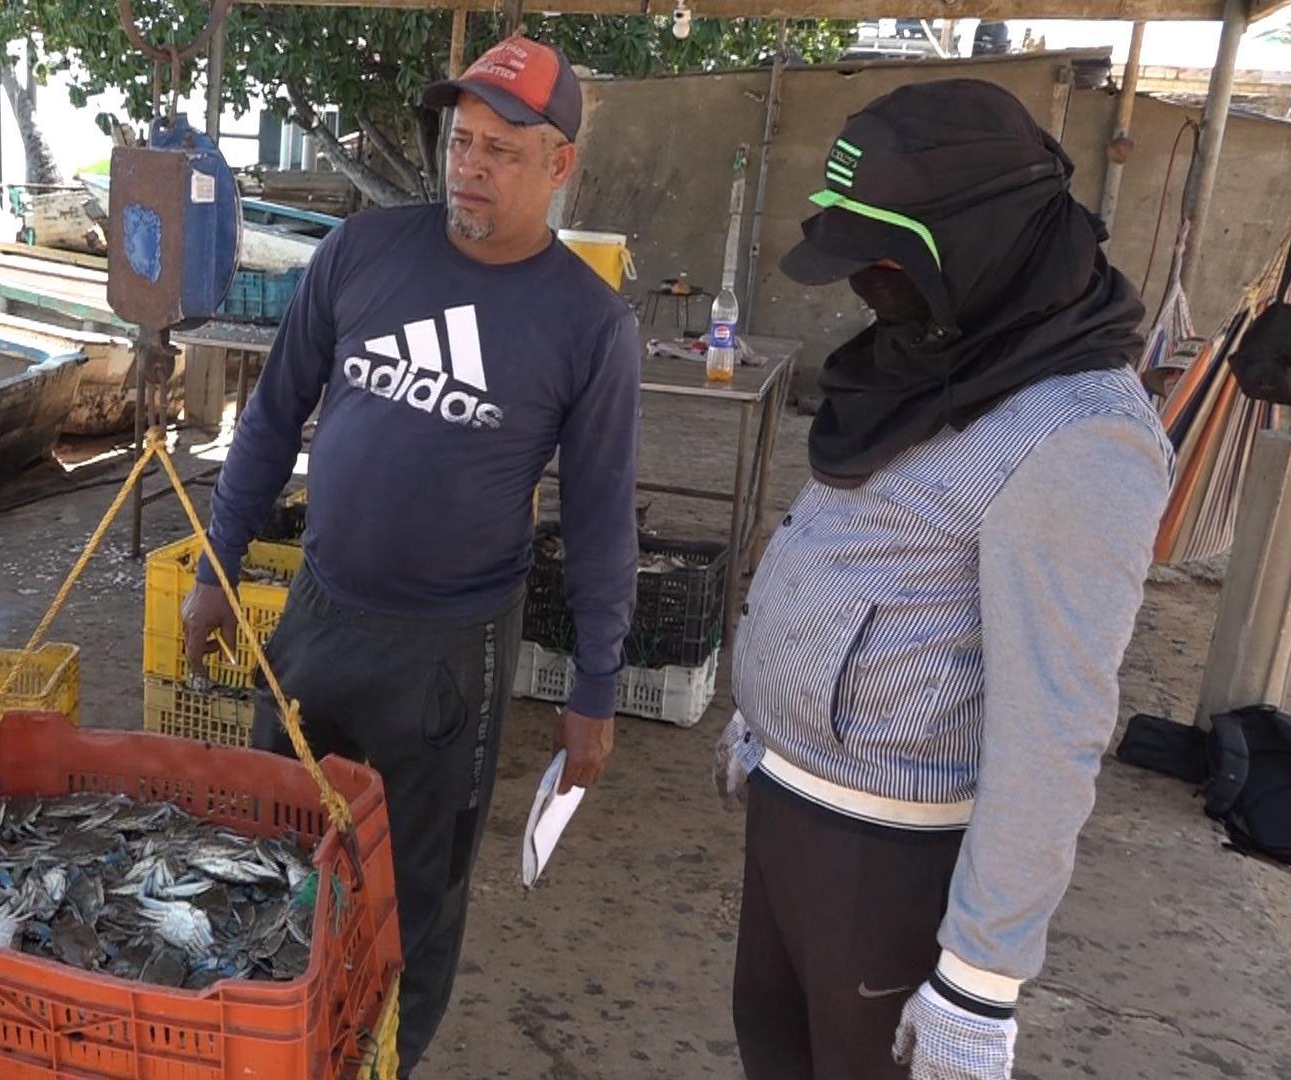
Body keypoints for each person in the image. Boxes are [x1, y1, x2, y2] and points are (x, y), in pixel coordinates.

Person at [179, 35, 641, 1075]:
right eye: (461, 141)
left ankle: (379, 1059)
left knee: (414, 891)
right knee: (270, 841)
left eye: (502, 151)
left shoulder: (588, 323)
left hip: (453, 647)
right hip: (320, 612)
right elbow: (270, 417)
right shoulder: (363, 251)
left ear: (559, 165)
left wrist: (596, 690)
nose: (469, 166)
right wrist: (219, 564)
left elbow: (606, 517)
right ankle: (258, 1041)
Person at [716, 79, 1173, 1080]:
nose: (864, 286)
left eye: (885, 260)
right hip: (794, 815)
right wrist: (765, 721)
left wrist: (979, 979)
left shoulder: (1078, 434)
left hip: (891, 862)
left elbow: (1054, 730)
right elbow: (853, 559)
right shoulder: (935, 356)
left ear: (978, 244)